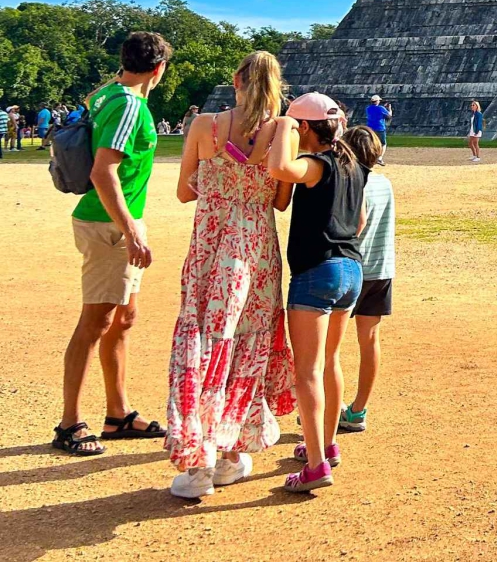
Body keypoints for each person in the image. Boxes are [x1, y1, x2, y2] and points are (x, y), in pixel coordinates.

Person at [164, 51, 297, 498]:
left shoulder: (206, 125)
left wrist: (219, 185)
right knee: (246, 343)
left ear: (236, 79)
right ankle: (229, 454)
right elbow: (280, 201)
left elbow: (185, 191)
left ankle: (196, 464)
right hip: (257, 252)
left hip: (210, 248)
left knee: (203, 341)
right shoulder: (280, 130)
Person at [52, 31, 173, 456]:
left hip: (112, 220)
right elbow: (104, 171)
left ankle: (117, 414)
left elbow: (91, 105)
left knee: (123, 318)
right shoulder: (129, 105)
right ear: (158, 69)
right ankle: (69, 422)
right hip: (109, 224)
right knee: (96, 322)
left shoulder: (107, 93)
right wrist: (132, 228)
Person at [267, 93, 367, 493]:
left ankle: (315, 465)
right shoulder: (353, 165)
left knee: (307, 370)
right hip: (351, 268)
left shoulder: (315, 165)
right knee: (330, 362)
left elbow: (279, 167)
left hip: (316, 271)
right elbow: (358, 220)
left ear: (305, 127)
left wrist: (283, 127)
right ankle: (326, 442)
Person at [338, 126, 394, 434]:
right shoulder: (384, 183)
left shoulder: (350, 184)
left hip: (353, 268)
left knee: (329, 346)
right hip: (382, 269)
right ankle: (358, 409)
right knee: (369, 341)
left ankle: (327, 407)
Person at [364, 95, 391, 166]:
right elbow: (389, 116)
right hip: (380, 128)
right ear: (377, 101)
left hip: (370, 128)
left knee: (371, 143)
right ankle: (380, 158)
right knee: (383, 144)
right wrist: (389, 109)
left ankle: (370, 157)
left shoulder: (368, 108)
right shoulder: (381, 108)